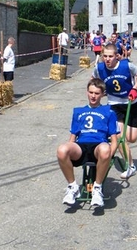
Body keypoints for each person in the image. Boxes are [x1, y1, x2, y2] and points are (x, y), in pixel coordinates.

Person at [57, 78, 119, 208]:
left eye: (97, 93)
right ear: (87, 92)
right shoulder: (78, 111)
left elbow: (114, 139)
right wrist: (69, 150)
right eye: (91, 92)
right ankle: (73, 187)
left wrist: (109, 156)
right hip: (81, 146)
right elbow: (73, 137)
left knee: (105, 149)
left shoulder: (109, 112)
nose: (93, 96)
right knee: (62, 149)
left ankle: (97, 188)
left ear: (102, 94)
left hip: (98, 146)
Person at [92, 43, 137, 179]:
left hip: (131, 103)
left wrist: (135, 88)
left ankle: (124, 149)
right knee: (120, 137)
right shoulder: (99, 68)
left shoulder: (126, 66)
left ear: (116, 56)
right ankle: (130, 165)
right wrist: (99, 93)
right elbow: (94, 81)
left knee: (131, 138)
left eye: (110, 56)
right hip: (114, 104)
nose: (107, 59)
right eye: (105, 56)